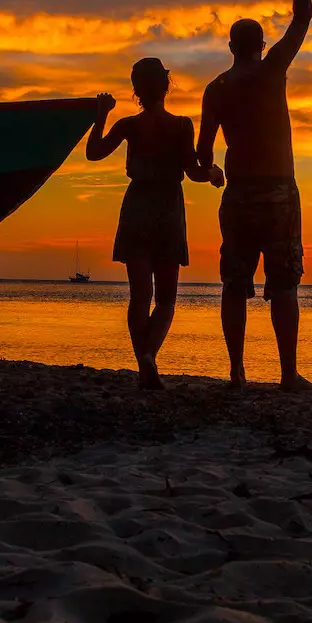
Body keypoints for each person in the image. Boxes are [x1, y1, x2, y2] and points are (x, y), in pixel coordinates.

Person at [197, 0, 312, 391]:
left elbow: (202, 157)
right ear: (261, 45)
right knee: (283, 286)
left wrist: (212, 175)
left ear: (231, 47)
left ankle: (237, 373)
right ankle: (287, 374)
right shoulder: (272, 71)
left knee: (234, 284)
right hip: (279, 194)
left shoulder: (217, 89)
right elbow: (303, 17)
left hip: (239, 195)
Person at [86, 58, 224, 389]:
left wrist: (102, 114)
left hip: (137, 207)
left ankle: (144, 362)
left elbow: (93, 153)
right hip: (167, 208)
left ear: (136, 91)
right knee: (165, 298)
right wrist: (214, 174)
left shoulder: (128, 125)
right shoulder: (180, 125)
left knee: (139, 296)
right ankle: (148, 356)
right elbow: (192, 172)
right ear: (166, 86)